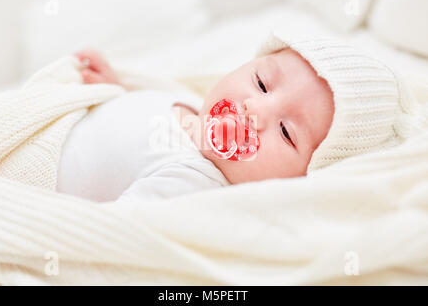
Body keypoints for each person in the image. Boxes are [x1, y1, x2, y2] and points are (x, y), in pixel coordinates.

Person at [56, 35, 403, 202]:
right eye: (262, 83)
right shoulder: (194, 105)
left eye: (286, 132)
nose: (256, 111)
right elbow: (134, 125)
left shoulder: (194, 184)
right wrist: (118, 89)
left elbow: (115, 236)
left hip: (37, 175)